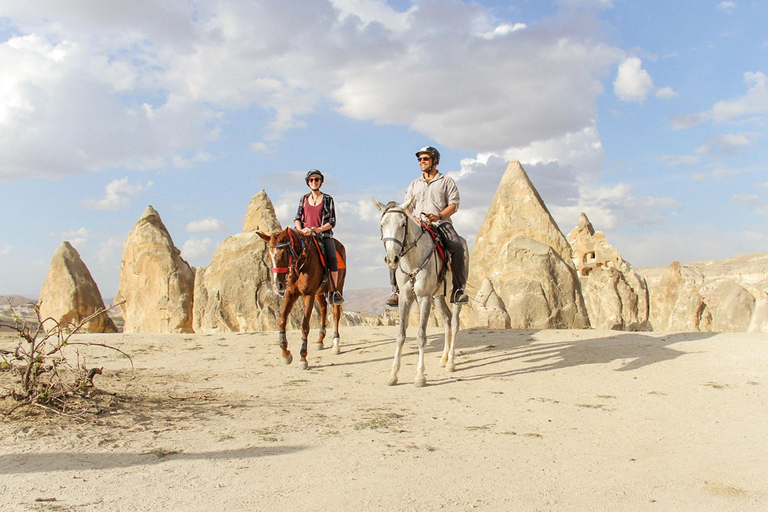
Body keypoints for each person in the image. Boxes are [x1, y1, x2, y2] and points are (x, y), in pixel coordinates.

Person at [386, 146, 468, 307]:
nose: (422, 162)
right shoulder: (414, 184)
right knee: (394, 246)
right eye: (420, 159)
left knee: (457, 247)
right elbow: (407, 207)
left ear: (435, 161)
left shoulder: (446, 181)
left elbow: (453, 205)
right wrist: (413, 216)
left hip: (440, 223)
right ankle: (396, 290)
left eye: (425, 159)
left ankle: (458, 289)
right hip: (418, 225)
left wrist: (439, 216)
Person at [294, 169, 344, 305]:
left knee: (333, 259)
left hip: (322, 235)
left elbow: (332, 221)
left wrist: (319, 229)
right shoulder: (303, 199)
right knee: (288, 251)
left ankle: (333, 292)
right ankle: (286, 283)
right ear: (308, 182)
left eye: (317, 179)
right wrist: (301, 230)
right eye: (311, 180)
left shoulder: (327, 199)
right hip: (304, 234)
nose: (314, 182)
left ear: (321, 182)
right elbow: (297, 218)